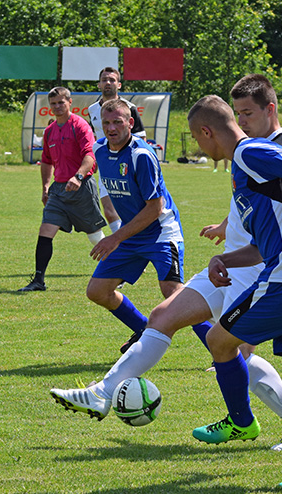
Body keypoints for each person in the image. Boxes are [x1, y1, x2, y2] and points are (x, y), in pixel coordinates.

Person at [50, 75, 282, 454]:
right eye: (238, 114)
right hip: (228, 266)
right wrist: (227, 225)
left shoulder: (269, 148)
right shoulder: (246, 151)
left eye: (247, 113)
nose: (243, 120)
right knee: (163, 315)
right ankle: (102, 393)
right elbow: (255, 200)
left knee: (237, 353)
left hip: (257, 271)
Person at [188, 94, 282, 492]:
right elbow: (261, 246)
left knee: (220, 340)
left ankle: (240, 421)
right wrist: (223, 260)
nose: (198, 148)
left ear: (207, 132)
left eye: (196, 139)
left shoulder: (249, 153)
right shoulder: (248, 168)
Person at [86, 99, 187, 348]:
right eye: (106, 122)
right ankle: (144, 330)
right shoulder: (100, 150)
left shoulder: (141, 156)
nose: (111, 128)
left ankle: (223, 352)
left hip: (161, 232)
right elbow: (103, 178)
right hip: (132, 234)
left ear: (130, 123)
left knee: (174, 293)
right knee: (97, 291)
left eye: (117, 122)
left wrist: (115, 236)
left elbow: (155, 208)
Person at [18, 87, 106, 292]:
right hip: (58, 190)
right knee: (45, 231)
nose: (57, 107)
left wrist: (78, 176)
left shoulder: (80, 125)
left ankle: (115, 272)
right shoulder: (49, 131)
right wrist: (45, 188)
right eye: (53, 104)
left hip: (81, 187)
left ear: (69, 102)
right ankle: (39, 280)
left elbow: (90, 156)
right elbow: (46, 162)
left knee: (94, 233)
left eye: (61, 102)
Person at [87, 67, 148, 234]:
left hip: (127, 166)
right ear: (98, 84)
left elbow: (141, 138)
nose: (108, 83)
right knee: (108, 210)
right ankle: (122, 243)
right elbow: (93, 139)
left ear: (119, 85)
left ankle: (134, 240)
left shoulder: (130, 107)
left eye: (112, 80)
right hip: (107, 165)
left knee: (131, 209)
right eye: (104, 79)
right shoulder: (92, 110)